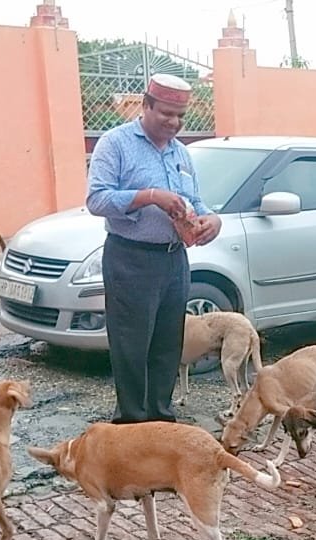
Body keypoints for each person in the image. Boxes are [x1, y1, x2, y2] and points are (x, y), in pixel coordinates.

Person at [86, 74, 222, 424]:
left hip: (174, 260)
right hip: (130, 258)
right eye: (166, 113)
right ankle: (131, 424)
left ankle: (161, 420)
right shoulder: (115, 143)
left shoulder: (181, 154)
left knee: (167, 346)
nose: (174, 123)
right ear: (145, 106)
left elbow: (194, 200)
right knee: (131, 348)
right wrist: (149, 196)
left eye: (180, 116)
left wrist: (212, 220)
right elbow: (97, 199)